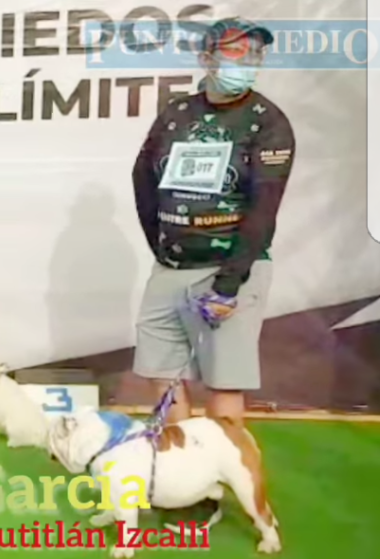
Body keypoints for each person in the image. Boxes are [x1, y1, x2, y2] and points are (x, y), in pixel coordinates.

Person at [131, 17, 295, 427]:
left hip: (230, 269)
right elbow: (143, 178)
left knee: (224, 382)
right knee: (162, 373)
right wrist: (162, 248)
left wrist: (228, 284)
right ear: (207, 58)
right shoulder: (177, 113)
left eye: (255, 53)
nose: (247, 61)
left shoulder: (268, 122)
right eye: (236, 51)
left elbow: (264, 207)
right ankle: (180, 465)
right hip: (171, 267)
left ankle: (225, 464)